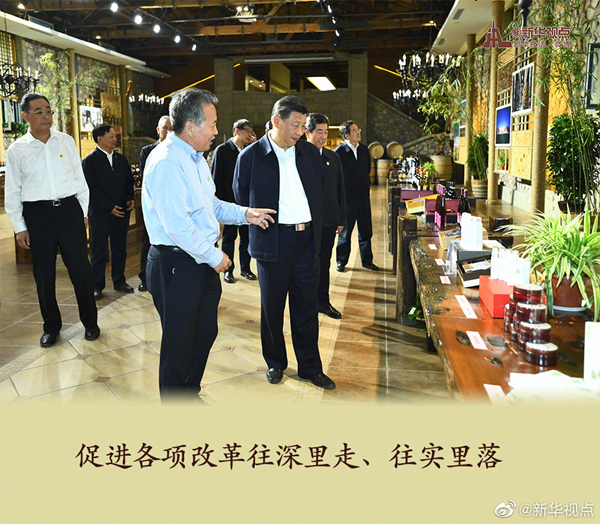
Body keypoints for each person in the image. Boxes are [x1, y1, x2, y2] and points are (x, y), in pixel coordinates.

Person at [142, 87, 275, 401]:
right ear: (190, 127)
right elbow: (177, 225)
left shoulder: (196, 158)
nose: (217, 131)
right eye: (212, 124)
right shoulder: (167, 161)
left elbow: (210, 205)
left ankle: (189, 393)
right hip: (176, 263)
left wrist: (246, 213)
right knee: (179, 344)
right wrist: (214, 256)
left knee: (204, 334)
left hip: (198, 259)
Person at [234, 95, 336, 390]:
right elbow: (241, 197)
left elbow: (319, 193)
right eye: (296, 125)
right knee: (272, 307)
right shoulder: (251, 156)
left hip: (306, 242)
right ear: (276, 121)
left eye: (304, 126)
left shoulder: (308, 152)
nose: (301, 131)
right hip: (272, 241)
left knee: (306, 308)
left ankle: (310, 367)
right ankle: (275, 362)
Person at [4, 93, 100, 347]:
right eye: (39, 112)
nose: (46, 116)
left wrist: (83, 212)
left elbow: (80, 180)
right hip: (38, 216)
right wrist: (19, 227)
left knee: (81, 270)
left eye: (48, 110)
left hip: (69, 211)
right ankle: (51, 327)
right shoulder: (17, 150)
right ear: (25, 116)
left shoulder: (66, 141)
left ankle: (90, 323)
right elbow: (12, 191)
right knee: (44, 275)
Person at [82, 123, 135, 300]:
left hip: (121, 212)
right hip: (101, 214)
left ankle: (119, 281)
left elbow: (129, 181)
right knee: (99, 250)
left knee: (120, 249)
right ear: (100, 139)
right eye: (111, 136)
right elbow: (91, 190)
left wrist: (130, 198)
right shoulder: (90, 162)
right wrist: (109, 207)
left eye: (115, 136)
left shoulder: (121, 159)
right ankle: (96, 285)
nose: (115, 139)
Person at [305, 113, 346, 320]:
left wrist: (340, 219)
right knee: (306, 265)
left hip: (328, 222)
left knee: (324, 263)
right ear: (307, 133)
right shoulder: (298, 157)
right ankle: (306, 304)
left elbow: (340, 190)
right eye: (319, 131)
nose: (323, 136)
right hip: (306, 223)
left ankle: (323, 302)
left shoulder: (333, 157)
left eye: (326, 131)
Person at [212, 119, 256, 284]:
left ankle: (245, 268)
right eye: (247, 130)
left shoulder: (249, 151)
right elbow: (216, 179)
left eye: (251, 131)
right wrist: (219, 203)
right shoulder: (222, 150)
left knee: (246, 238)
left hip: (246, 204)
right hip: (228, 203)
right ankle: (228, 271)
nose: (250, 134)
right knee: (229, 238)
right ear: (237, 131)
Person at [335, 120, 379, 272]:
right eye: (354, 131)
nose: (358, 132)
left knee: (366, 232)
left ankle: (367, 261)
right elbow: (337, 178)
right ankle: (341, 261)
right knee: (345, 234)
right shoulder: (338, 152)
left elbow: (367, 170)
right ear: (347, 135)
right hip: (347, 200)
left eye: (358, 129)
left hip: (364, 198)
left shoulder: (364, 150)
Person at [137, 115, 172, 292]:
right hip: (153, 205)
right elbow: (147, 178)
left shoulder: (177, 152)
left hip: (171, 204)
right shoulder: (148, 151)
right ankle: (145, 277)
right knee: (148, 241)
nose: (168, 131)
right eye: (165, 128)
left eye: (171, 128)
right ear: (158, 130)